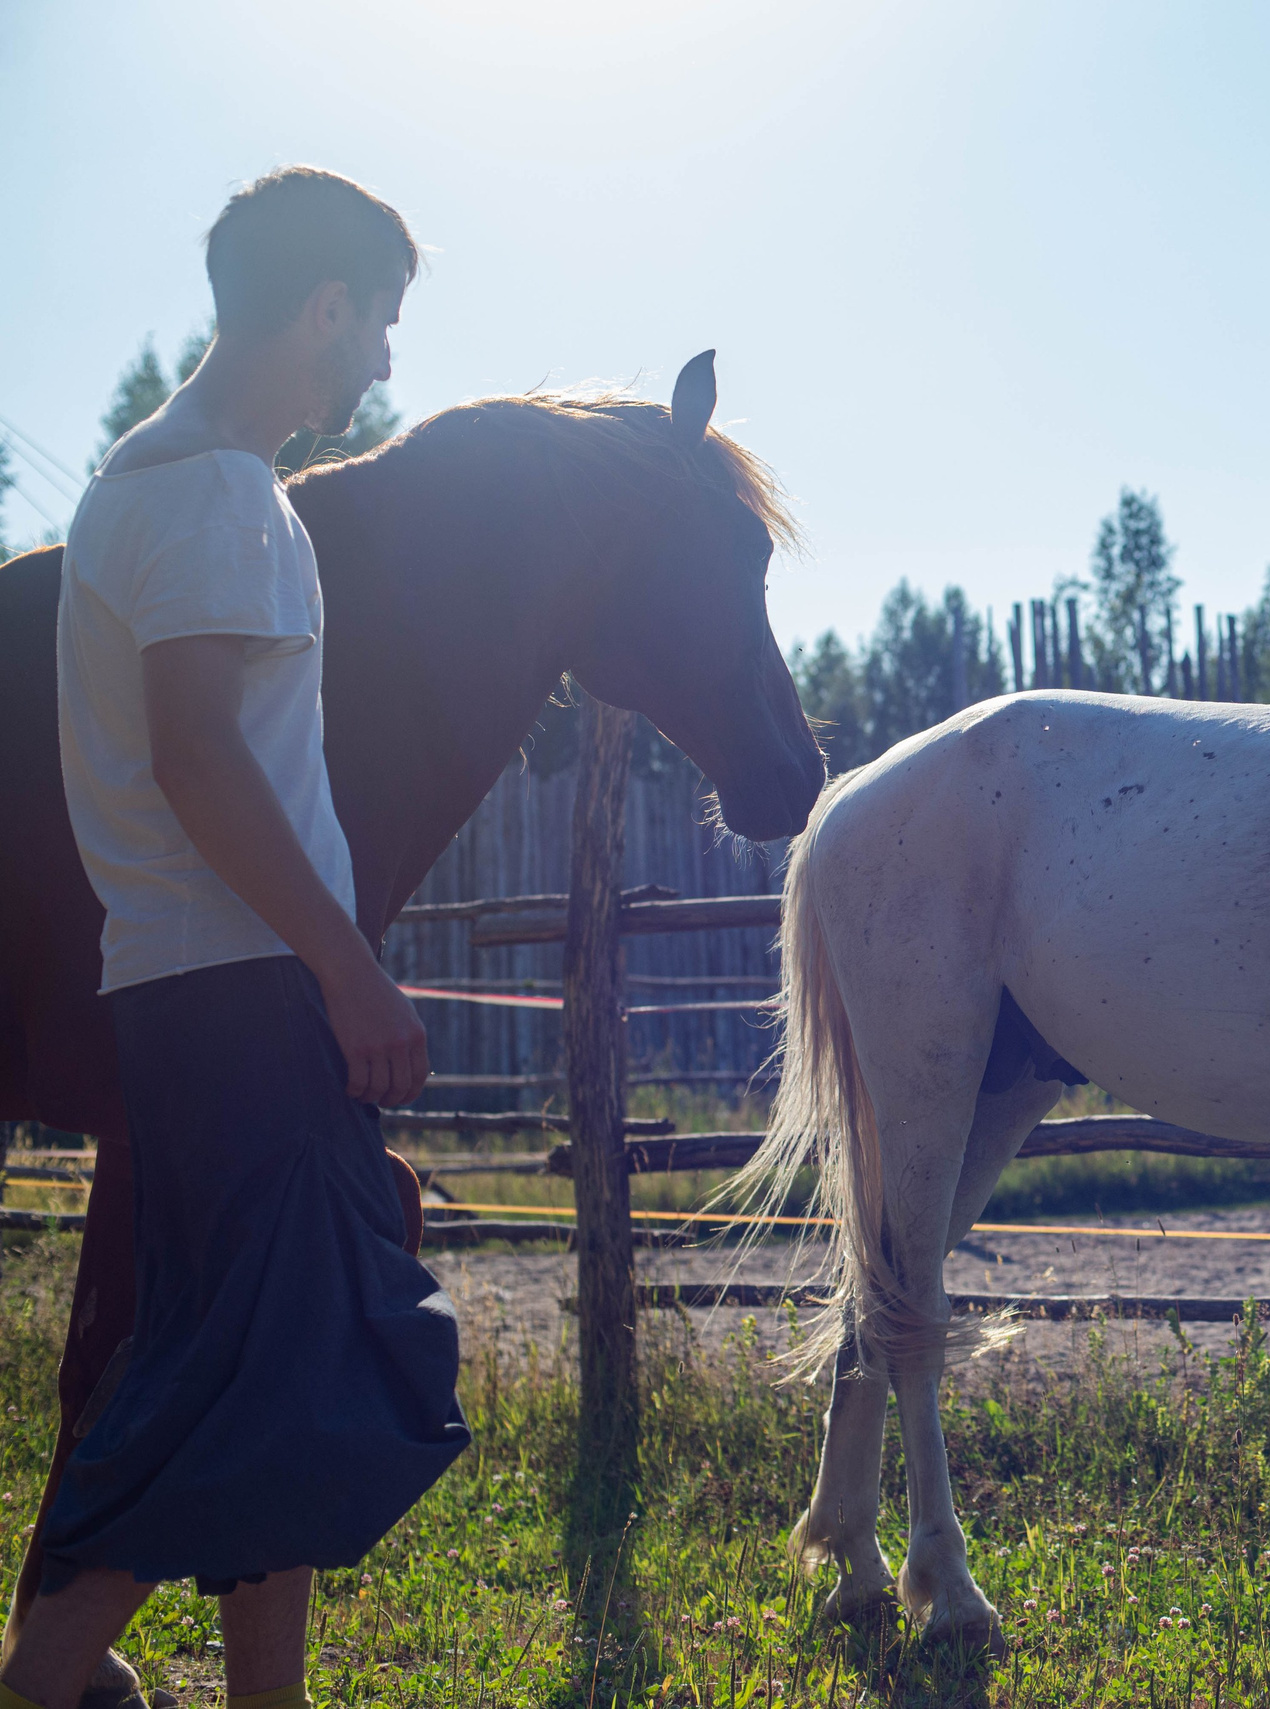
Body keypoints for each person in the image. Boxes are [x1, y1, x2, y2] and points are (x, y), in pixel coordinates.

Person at [5, 167, 468, 1709]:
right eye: (381, 324)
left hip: (185, 995)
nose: (386, 363)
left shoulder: (140, 484)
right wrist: (349, 970)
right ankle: (45, 1676)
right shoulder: (212, 496)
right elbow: (199, 756)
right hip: (247, 995)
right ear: (323, 308)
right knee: (238, 1380)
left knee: (283, 1385)